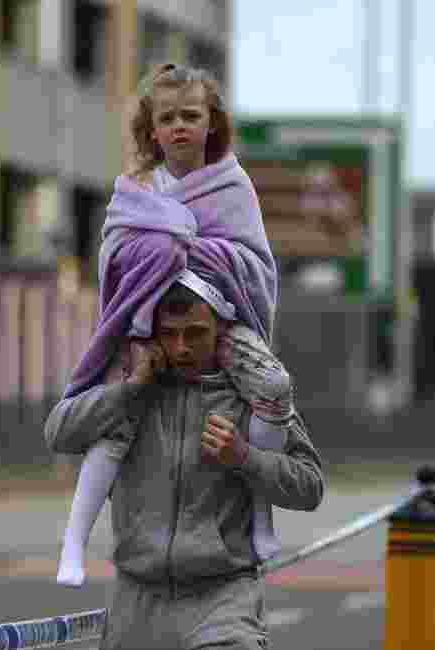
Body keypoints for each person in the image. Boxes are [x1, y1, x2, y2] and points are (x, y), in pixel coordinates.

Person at [56, 63, 296, 587]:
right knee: (119, 417)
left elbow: (254, 264)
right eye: (168, 117)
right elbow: (115, 255)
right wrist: (162, 250)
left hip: (222, 324)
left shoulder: (234, 186)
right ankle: (73, 542)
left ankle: (260, 515)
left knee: (273, 387)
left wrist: (183, 245)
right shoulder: (137, 187)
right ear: (152, 128)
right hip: (145, 326)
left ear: (213, 123)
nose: (180, 126)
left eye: (191, 114)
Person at [44, 277, 325, 650]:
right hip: (137, 601)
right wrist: (128, 391)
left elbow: (309, 486)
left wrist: (244, 456)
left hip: (224, 598)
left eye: (195, 334)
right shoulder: (128, 387)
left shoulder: (252, 394)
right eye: (169, 335)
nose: (180, 348)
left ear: (221, 331)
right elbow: (58, 434)